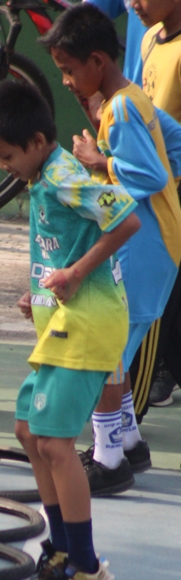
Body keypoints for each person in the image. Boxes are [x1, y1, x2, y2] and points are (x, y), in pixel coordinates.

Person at [0, 78, 140, 580]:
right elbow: (59, 245)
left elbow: (127, 219)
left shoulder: (64, 174)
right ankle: (63, 552)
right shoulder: (42, 174)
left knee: (53, 443)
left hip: (88, 323)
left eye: (7, 156)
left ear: (37, 141)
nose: (3, 166)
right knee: (29, 432)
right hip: (61, 322)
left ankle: (87, 568)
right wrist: (40, 294)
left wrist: (74, 275)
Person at [40, 4, 181, 493]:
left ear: (97, 61)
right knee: (117, 348)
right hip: (159, 241)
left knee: (106, 351)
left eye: (69, 70)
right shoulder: (132, 98)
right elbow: (175, 145)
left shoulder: (120, 108)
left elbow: (148, 175)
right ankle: (129, 444)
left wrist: (98, 161)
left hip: (145, 245)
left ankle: (109, 459)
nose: (65, 82)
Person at [125, 0, 181, 415]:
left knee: (160, 306)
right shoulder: (148, 39)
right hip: (155, 196)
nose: (132, 3)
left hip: (172, 198)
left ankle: (131, 413)